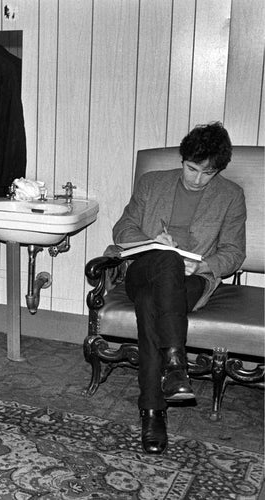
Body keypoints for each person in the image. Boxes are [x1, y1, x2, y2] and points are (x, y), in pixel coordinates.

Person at [105, 122, 246, 454]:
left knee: (153, 305)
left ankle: (153, 410)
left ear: (218, 171)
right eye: (191, 168)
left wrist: (200, 265)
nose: (196, 178)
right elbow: (122, 228)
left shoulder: (231, 196)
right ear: (182, 159)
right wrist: (152, 241)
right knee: (166, 259)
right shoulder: (152, 182)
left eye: (206, 173)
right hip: (145, 268)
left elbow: (234, 252)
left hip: (193, 279)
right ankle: (174, 364)